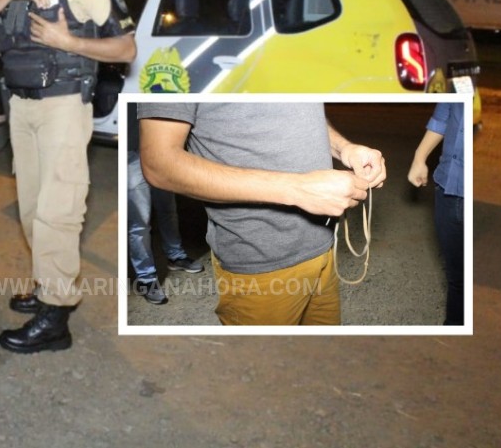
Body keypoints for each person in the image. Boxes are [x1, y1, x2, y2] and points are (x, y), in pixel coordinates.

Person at [0, 0, 136, 352]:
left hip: (64, 105)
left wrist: (71, 43)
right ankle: (48, 285)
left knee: (59, 210)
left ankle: (56, 316)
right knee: (31, 209)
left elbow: (126, 46)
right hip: (21, 106)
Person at [138, 102, 386, 326]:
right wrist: (298, 189)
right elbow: (159, 163)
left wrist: (344, 148)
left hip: (322, 246)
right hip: (260, 263)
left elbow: (300, 110)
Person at [126, 102, 203, 306]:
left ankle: (175, 256)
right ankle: (146, 278)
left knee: (168, 209)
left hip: (157, 152)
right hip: (130, 157)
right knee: (140, 224)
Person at [407, 102, 465, 325]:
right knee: (457, 280)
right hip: (447, 187)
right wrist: (419, 157)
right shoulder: (460, 75)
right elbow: (444, 114)